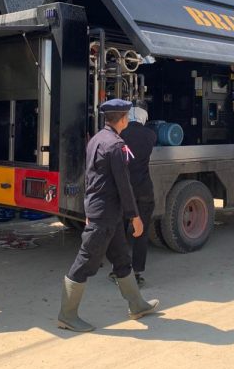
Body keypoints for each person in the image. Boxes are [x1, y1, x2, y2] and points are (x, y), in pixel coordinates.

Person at [58, 99, 159, 332]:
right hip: (105, 214)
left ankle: (137, 304)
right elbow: (124, 185)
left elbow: (90, 177)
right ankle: (67, 315)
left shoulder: (96, 139)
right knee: (84, 263)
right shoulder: (116, 145)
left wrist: (87, 209)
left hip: (103, 212)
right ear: (123, 119)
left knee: (122, 259)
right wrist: (134, 216)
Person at [115, 103, 158, 286]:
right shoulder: (151, 135)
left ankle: (119, 270)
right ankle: (137, 272)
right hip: (144, 190)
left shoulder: (120, 134)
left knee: (121, 230)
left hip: (125, 190)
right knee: (142, 230)